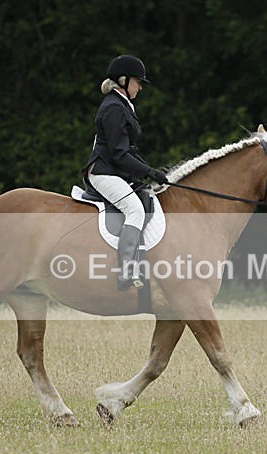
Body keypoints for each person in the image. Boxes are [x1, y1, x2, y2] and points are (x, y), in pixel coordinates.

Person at [82, 54, 168, 290]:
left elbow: (128, 151)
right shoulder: (114, 108)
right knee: (135, 210)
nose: (140, 87)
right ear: (123, 80)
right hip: (103, 172)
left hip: (114, 171)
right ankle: (127, 271)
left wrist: (151, 172)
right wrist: (149, 171)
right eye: (137, 82)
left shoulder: (121, 106)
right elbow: (119, 153)